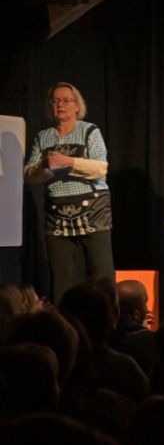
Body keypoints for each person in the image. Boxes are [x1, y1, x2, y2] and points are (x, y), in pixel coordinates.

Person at [24, 82, 114, 303]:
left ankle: (108, 318)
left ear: (77, 106)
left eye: (66, 100)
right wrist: (43, 165)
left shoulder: (89, 131)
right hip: (57, 214)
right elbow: (29, 176)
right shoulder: (43, 137)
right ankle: (64, 321)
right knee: (60, 278)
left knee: (101, 275)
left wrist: (69, 161)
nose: (60, 105)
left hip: (93, 209)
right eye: (55, 100)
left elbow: (100, 168)